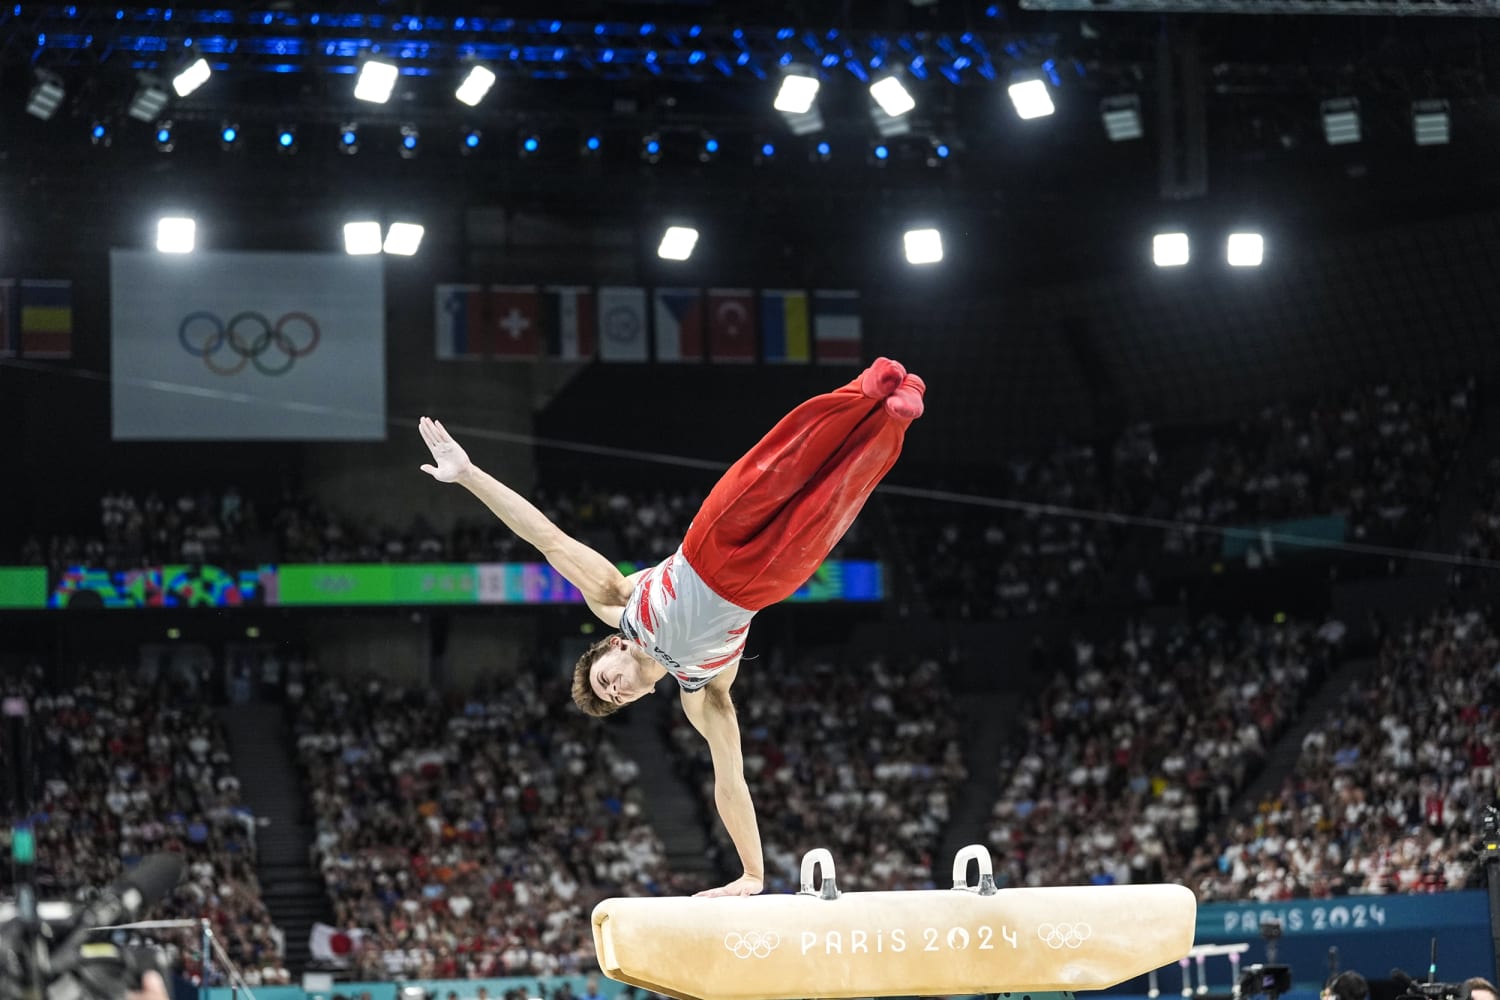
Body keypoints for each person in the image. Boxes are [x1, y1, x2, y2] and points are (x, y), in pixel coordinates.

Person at [418, 357, 925, 896]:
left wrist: (468, 475)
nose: (613, 690)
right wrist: (753, 874)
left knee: (783, 463)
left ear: (611, 646)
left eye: (602, 679)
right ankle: (896, 415)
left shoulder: (620, 605)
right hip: (764, 585)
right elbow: (731, 782)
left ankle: (865, 388)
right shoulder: (701, 691)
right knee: (835, 497)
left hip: (710, 544)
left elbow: (548, 539)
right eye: (613, 700)